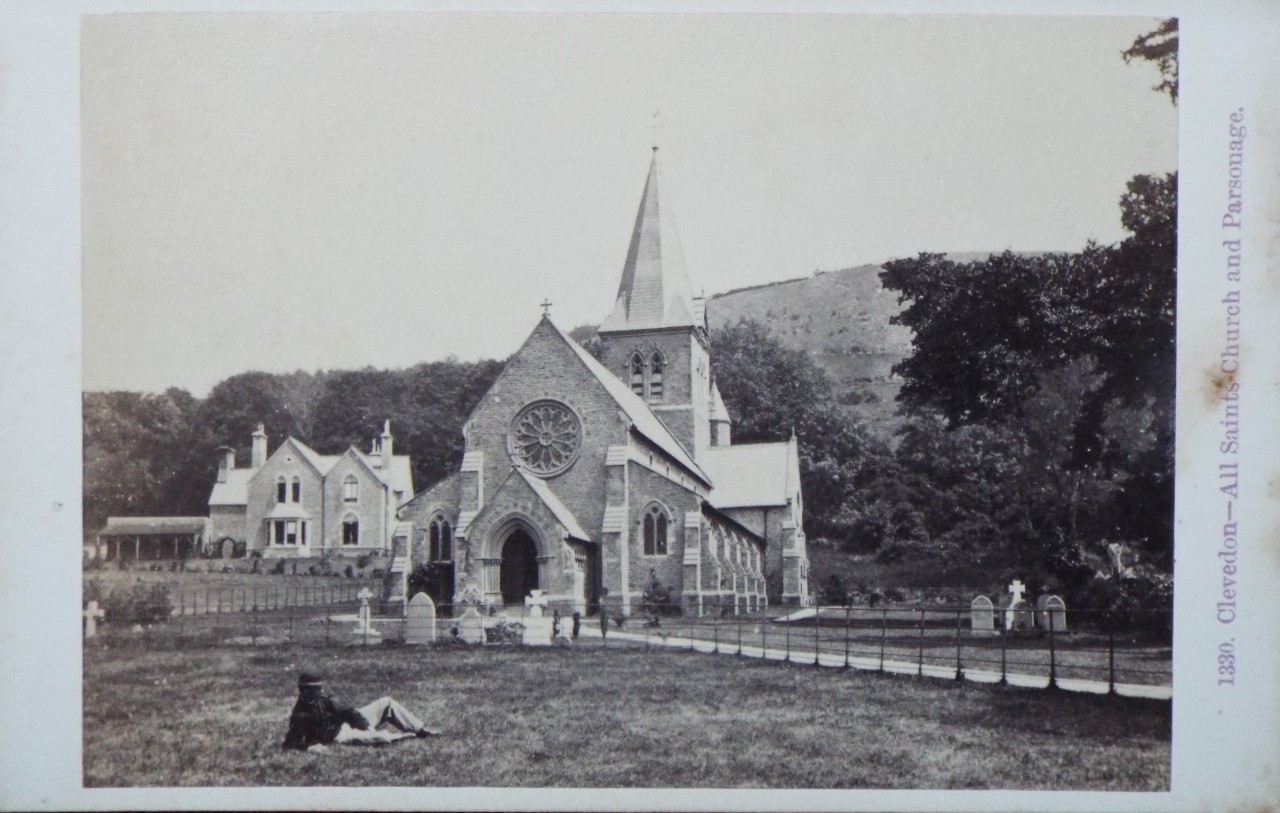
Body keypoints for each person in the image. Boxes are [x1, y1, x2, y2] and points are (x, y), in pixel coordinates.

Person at [282, 669, 440, 752]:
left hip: (346, 724)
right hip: (339, 735)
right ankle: (401, 737)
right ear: (304, 690)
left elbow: (348, 711)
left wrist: (364, 724)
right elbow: (290, 743)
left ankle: (421, 729)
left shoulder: (321, 699)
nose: (320, 691)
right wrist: (309, 747)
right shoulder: (300, 714)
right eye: (316, 689)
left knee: (387, 702)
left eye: (319, 688)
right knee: (376, 738)